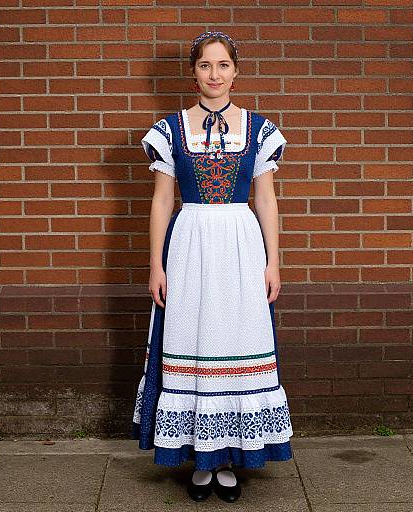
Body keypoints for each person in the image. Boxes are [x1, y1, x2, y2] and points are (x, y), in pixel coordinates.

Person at [131, 30, 293, 504]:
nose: (215, 75)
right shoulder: (169, 130)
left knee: (237, 337)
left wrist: (274, 261)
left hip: (241, 245)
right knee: (194, 336)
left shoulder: (260, 129)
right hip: (191, 244)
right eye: (205, 66)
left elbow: (266, 199)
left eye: (223, 65)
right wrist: (155, 265)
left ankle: (227, 459)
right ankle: (201, 459)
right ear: (193, 72)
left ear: (236, 72)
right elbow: (162, 202)